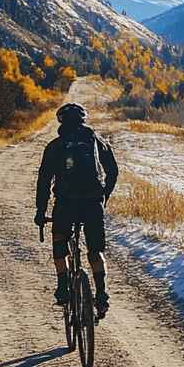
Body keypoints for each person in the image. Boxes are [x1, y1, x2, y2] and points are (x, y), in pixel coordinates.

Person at [35, 102, 118, 317]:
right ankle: (101, 294)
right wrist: (103, 196)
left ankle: (63, 287)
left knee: (59, 240)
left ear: (61, 121)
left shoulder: (55, 146)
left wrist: (40, 212)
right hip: (92, 203)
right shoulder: (97, 142)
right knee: (96, 251)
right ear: (83, 120)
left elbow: (44, 181)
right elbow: (113, 172)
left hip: (66, 204)